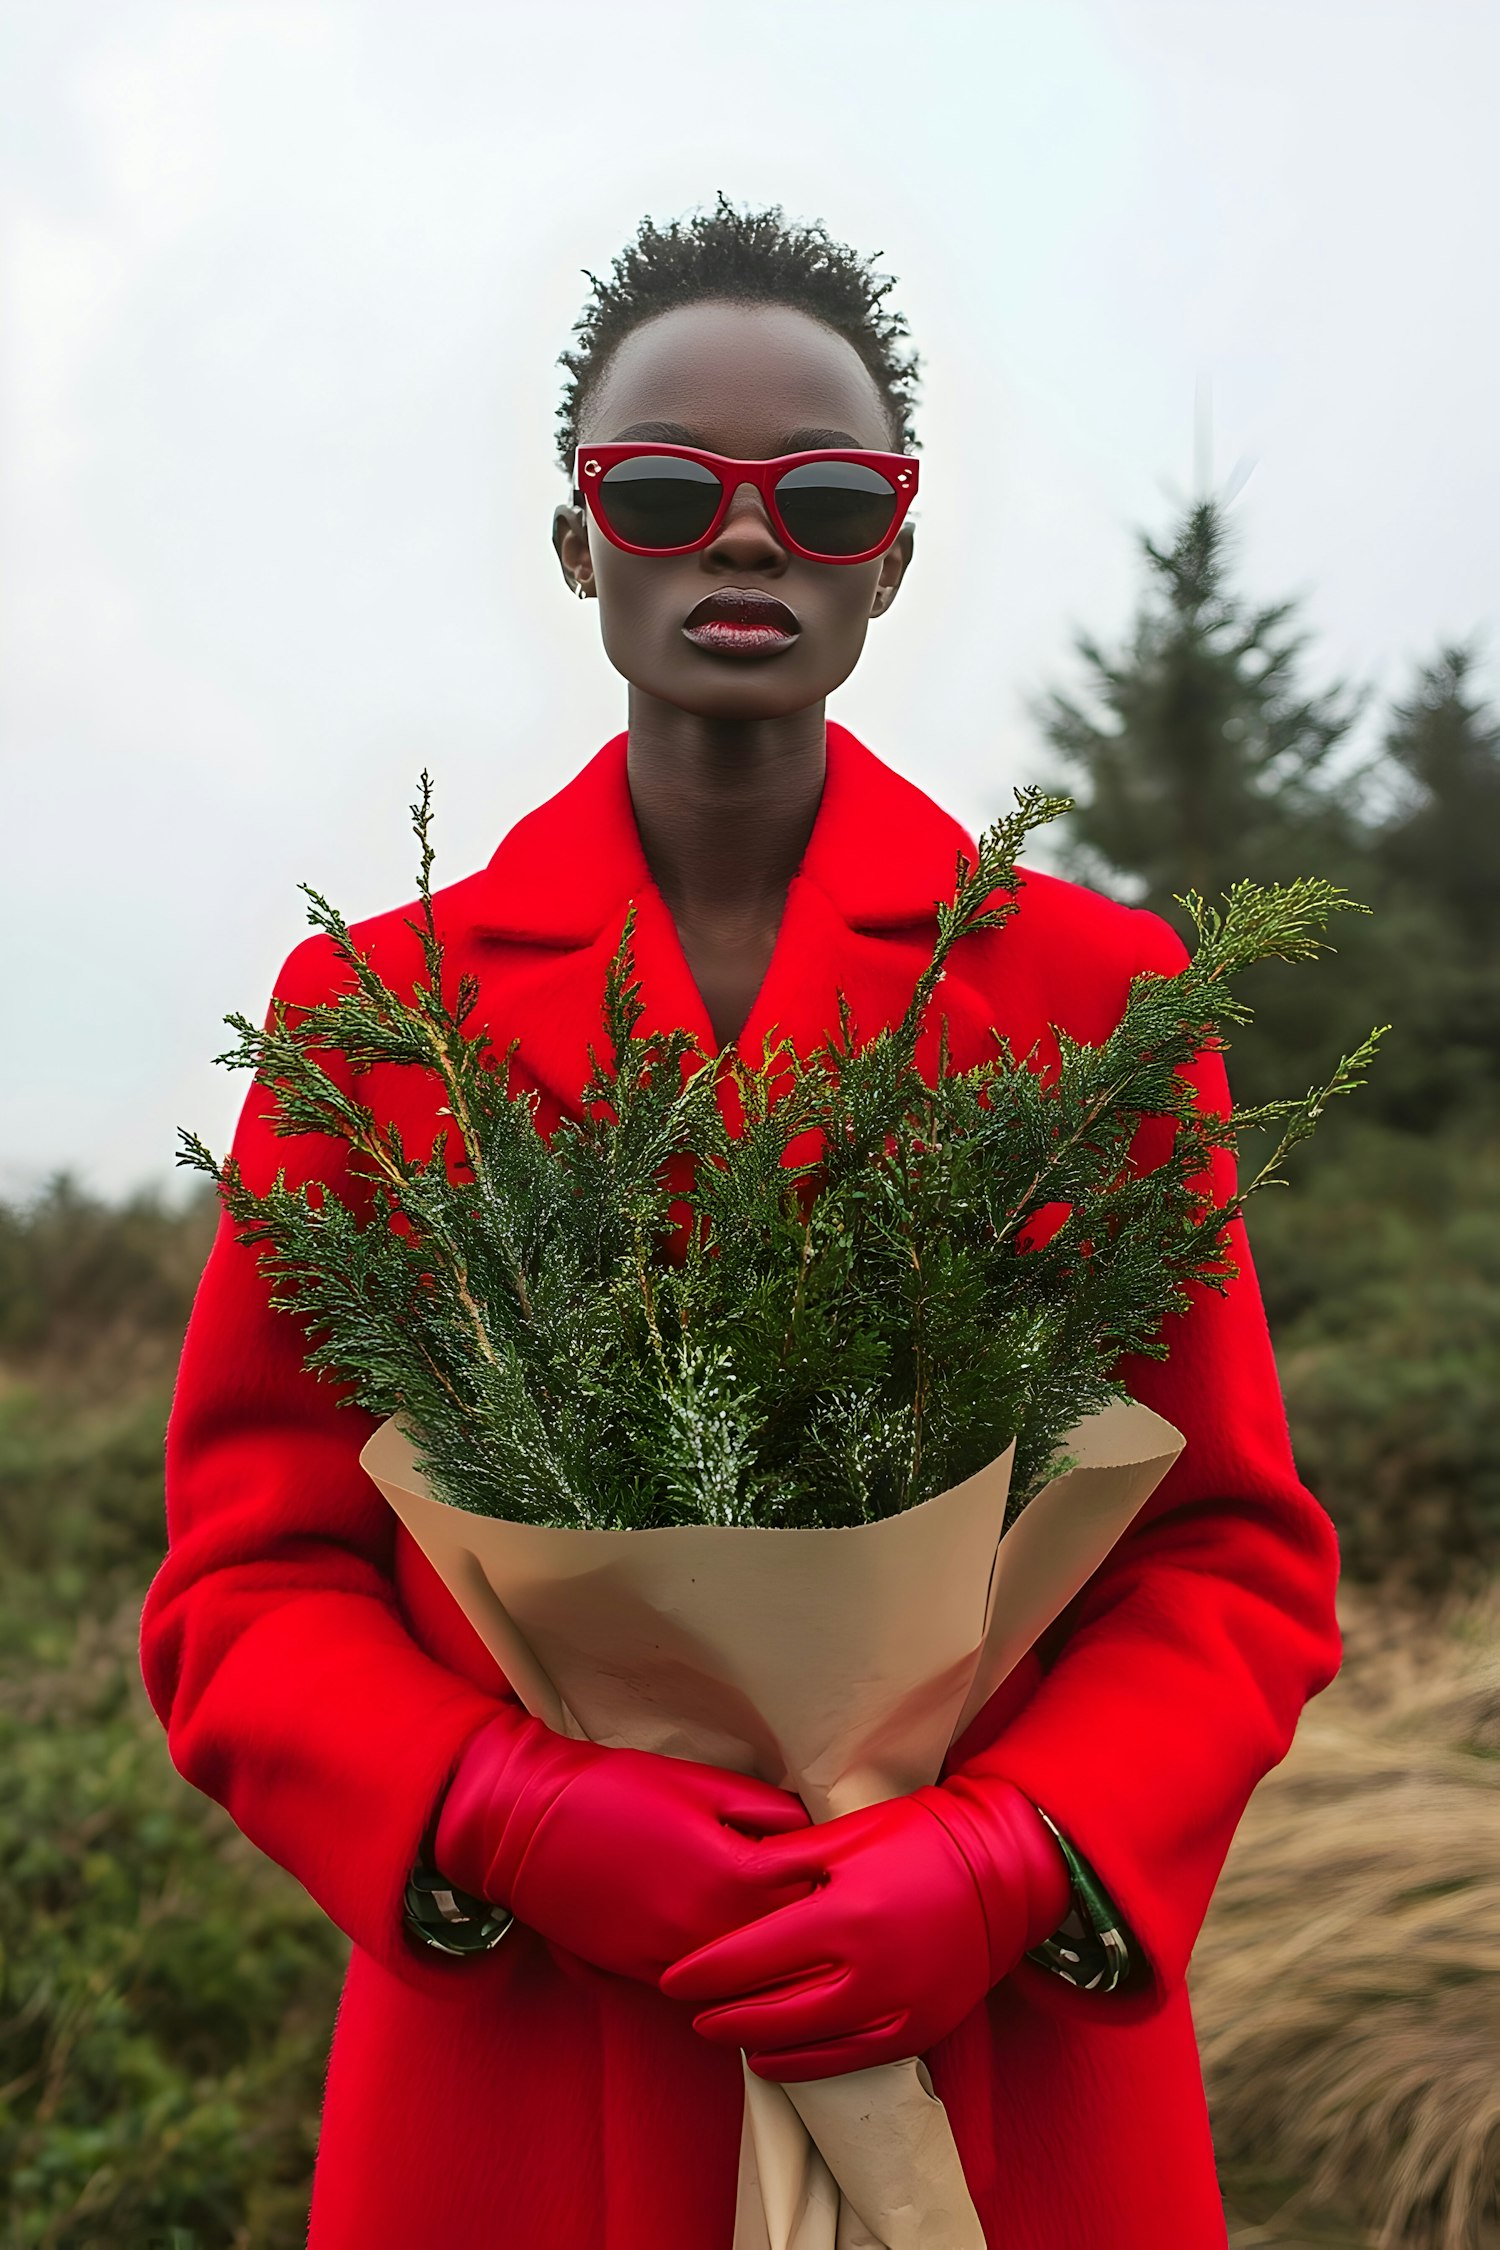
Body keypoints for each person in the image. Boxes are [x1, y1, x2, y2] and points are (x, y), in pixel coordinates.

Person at [141, 198, 1343, 2250]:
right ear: (577, 537)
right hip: (534, 2052)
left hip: (987, 2054)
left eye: (824, 491)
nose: (747, 534)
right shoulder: (376, 1021)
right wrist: (502, 1809)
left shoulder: (1094, 1003)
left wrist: (1007, 1858)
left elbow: (1228, 1555)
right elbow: (249, 1577)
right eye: (671, 485)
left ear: (894, 540)